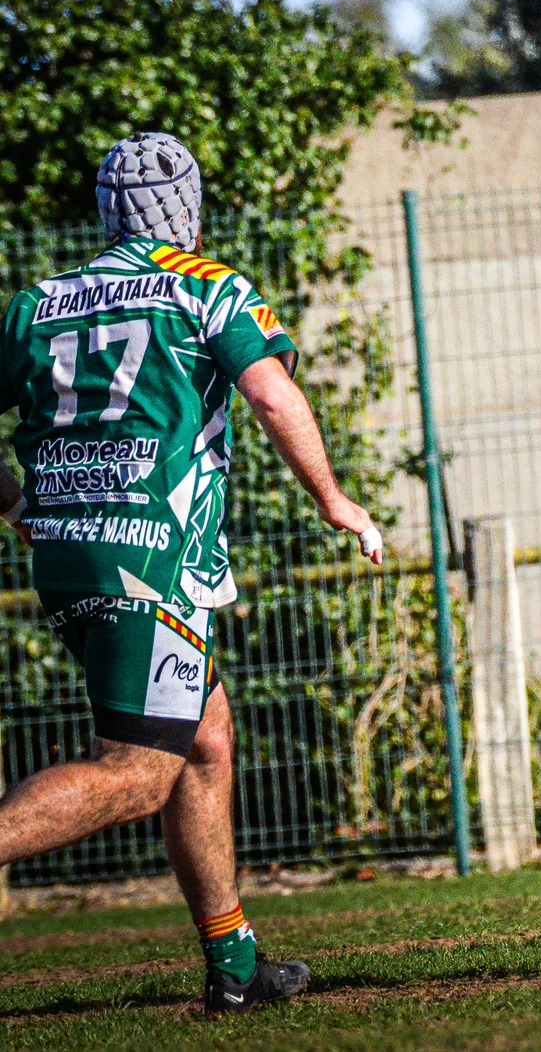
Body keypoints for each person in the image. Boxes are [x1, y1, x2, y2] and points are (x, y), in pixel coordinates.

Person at [0, 133, 385, 1014]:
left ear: (105, 212)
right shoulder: (208, 284)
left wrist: (21, 509)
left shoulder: (36, 303)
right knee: (137, 771)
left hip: (68, 558)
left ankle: (236, 964)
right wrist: (334, 502)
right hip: (156, 558)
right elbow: (273, 394)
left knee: (205, 739)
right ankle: (233, 964)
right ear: (190, 209)